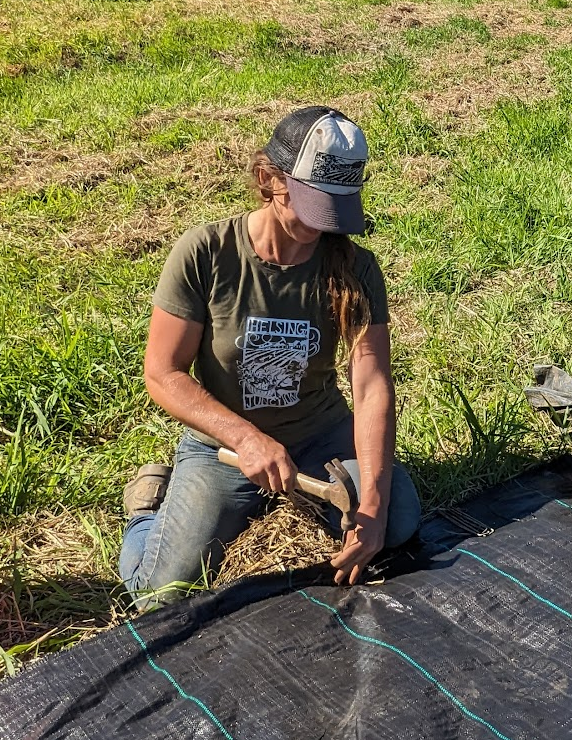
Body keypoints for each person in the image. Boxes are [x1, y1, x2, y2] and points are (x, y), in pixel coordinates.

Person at [119, 106, 421, 610]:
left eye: (334, 210)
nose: (321, 226)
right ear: (268, 179)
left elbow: (371, 388)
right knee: (160, 593)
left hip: (320, 436)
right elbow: (163, 372)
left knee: (398, 524)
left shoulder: (356, 268)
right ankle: (145, 511)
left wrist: (373, 499)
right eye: (311, 205)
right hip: (223, 446)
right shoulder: (205, 252)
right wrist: (246, 438)